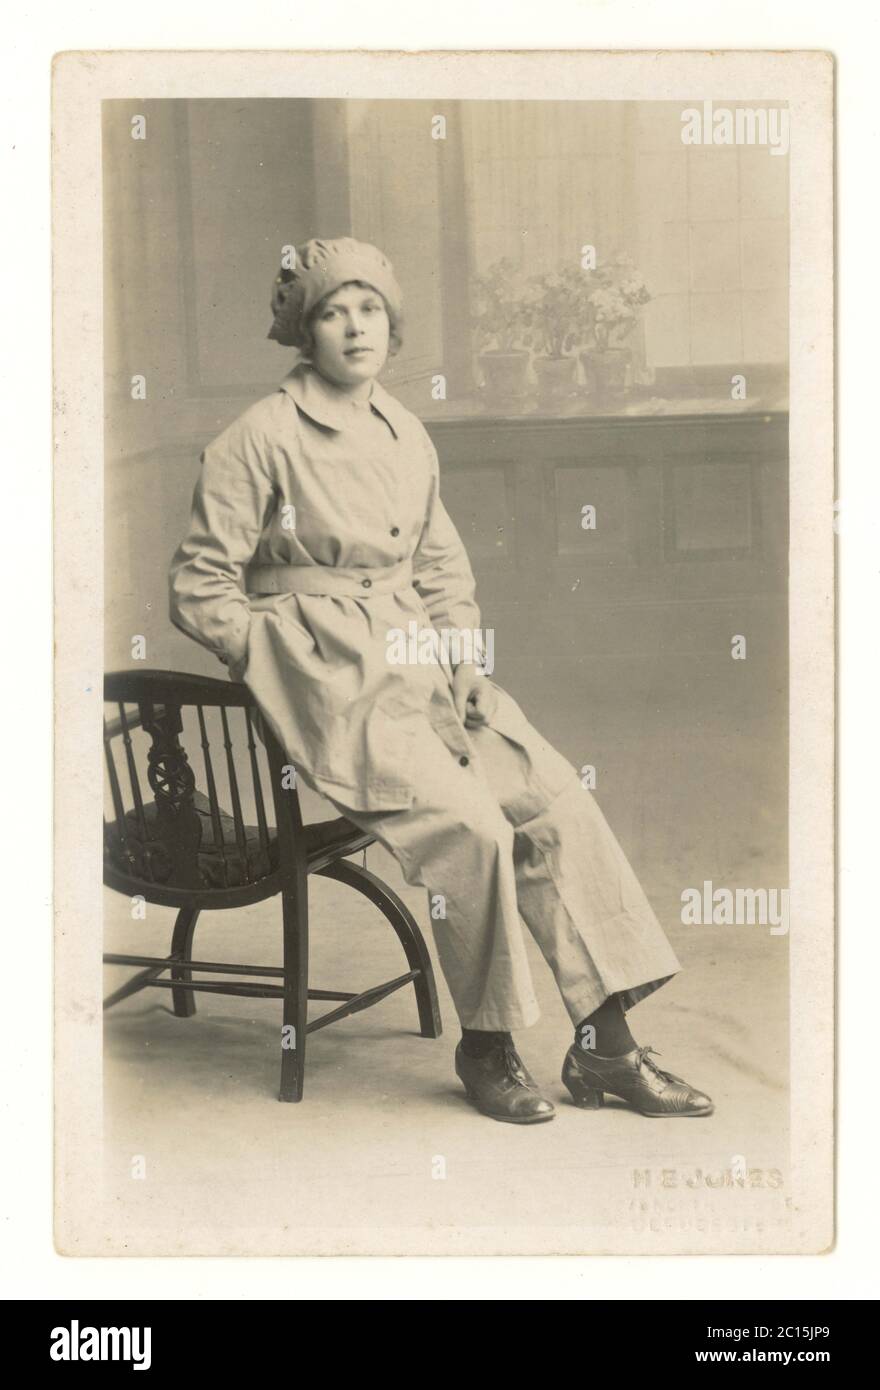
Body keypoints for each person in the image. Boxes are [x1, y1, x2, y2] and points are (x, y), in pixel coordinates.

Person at [169, 236, 713, 1124]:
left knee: (549, 801)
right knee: (474, 833)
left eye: (371, 309)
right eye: (334, 311)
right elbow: (199, 586)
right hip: (333, 691)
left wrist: (463, 660)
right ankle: (488, 1045)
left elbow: (443, 571)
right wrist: (286, 658)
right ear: (305, 329)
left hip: (421, 672)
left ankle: (606, 1053)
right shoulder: (257, 438)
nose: (355, 327)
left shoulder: (405, 432)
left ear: (392, 325)